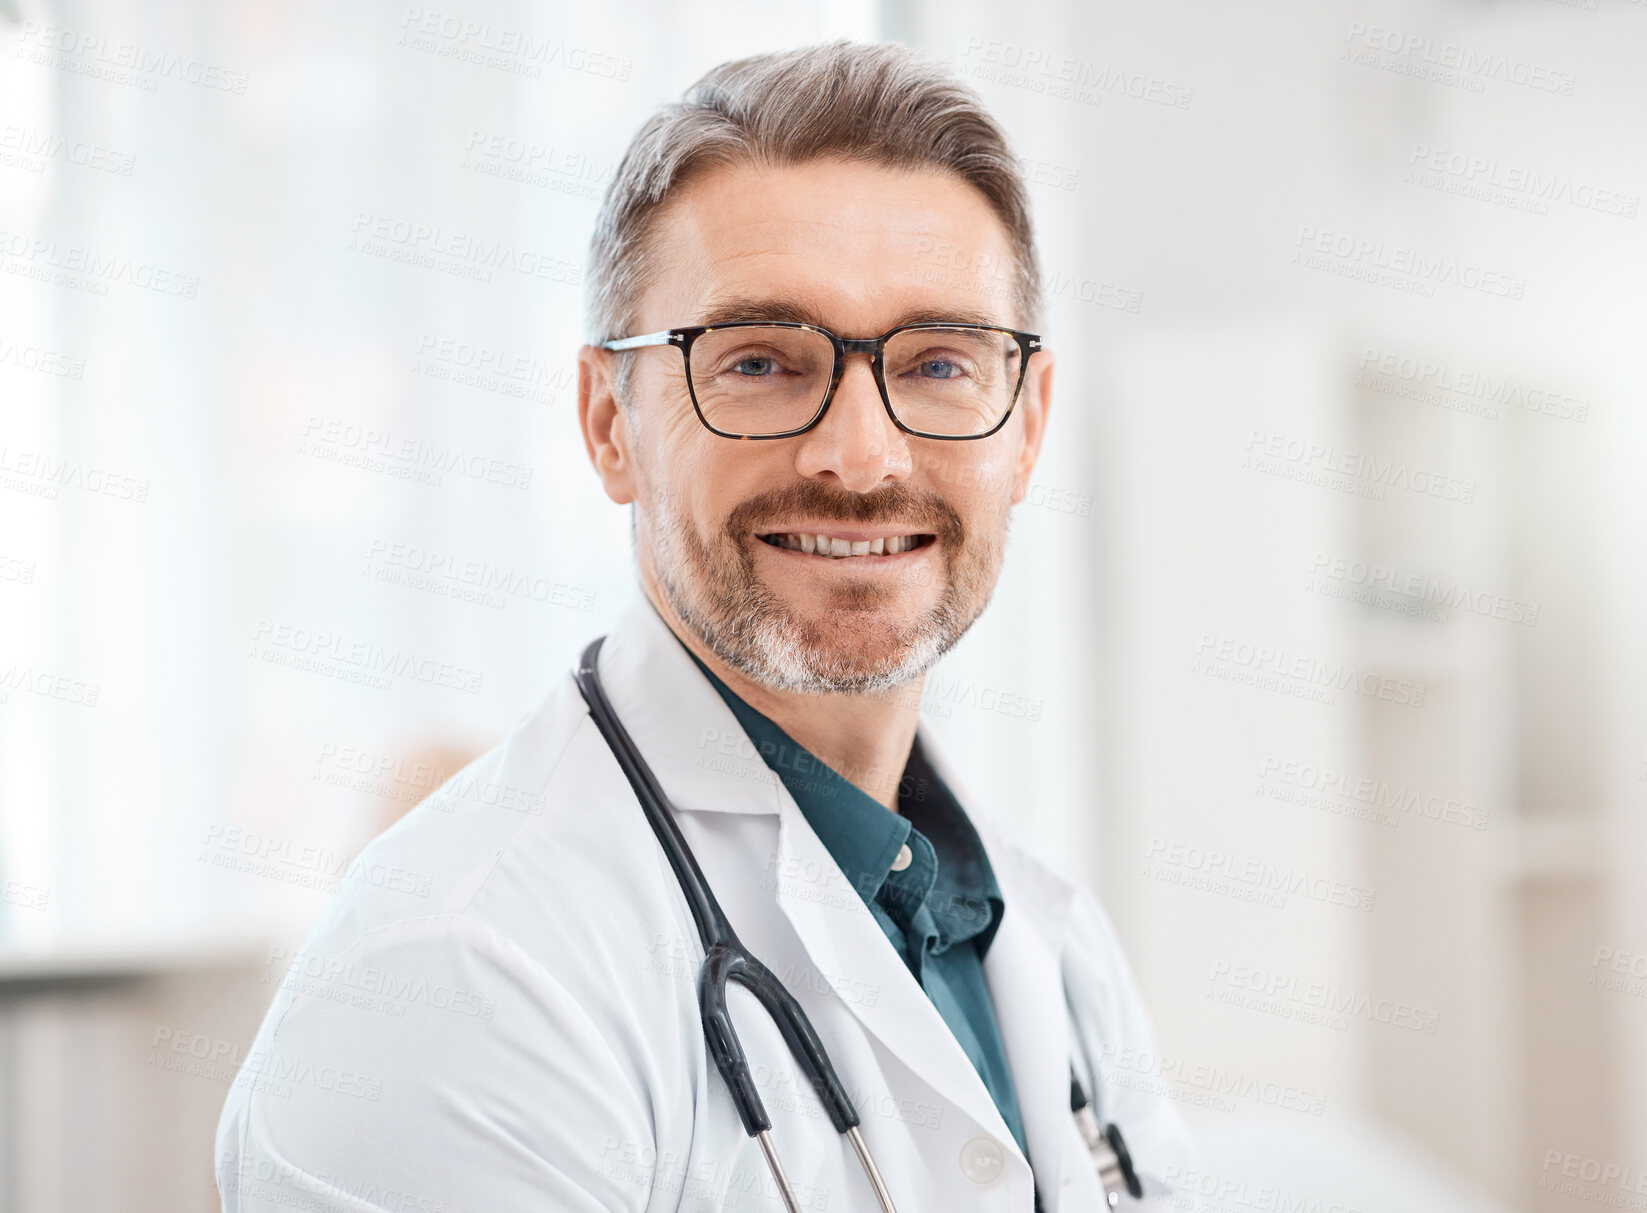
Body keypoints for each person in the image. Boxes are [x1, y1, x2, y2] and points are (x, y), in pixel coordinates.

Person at [216, 40, 1199, 1212]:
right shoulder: (451, 975)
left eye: (939, 361)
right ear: (608, 422)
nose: (861, 454)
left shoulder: (1049, 939)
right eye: (762, 363)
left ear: (1026, 426)